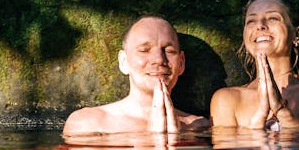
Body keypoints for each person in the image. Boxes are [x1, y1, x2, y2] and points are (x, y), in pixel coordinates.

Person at [210, 0, 299, 130]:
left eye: (273, 18)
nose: (260, 25)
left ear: (297, 35)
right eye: (251, 21)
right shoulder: (226, 100)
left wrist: (284, 114)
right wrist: (259, 118)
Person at [63, 15, 211, 135]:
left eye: (169, 51)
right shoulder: (88, 124)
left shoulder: (198, 126)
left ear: (181, 63)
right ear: (124, 62)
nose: (159, 59)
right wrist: (151, 143)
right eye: (144, 50)